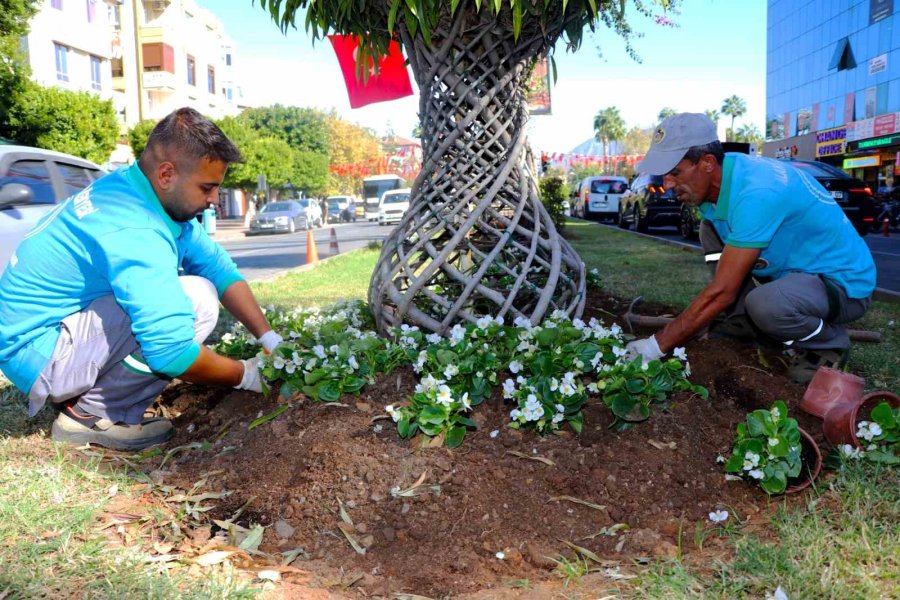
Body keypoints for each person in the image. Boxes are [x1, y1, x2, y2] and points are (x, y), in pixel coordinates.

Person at [0, 108, 282, 450]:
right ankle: (92, 414)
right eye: (207, 188)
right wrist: (246, 375)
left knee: (198, 286)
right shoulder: (134, 226)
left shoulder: (134, 190)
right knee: (197, 301)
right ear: (166, 174)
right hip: (41, 356)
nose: (212, 202)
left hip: (42, 337)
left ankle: (91, 392)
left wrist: (269, 338)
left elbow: (218, 267)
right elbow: (171, 352)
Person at [625, 113, 876, 384]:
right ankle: (741, 320)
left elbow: (722, 291)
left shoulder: (758, 192)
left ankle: (828, 343)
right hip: (797, 275)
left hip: (842, 285)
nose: (668, 184)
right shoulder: (725, 177)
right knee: (711, 228)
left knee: (766, 306)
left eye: (675, 172)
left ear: (708, 163)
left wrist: (655, 346)